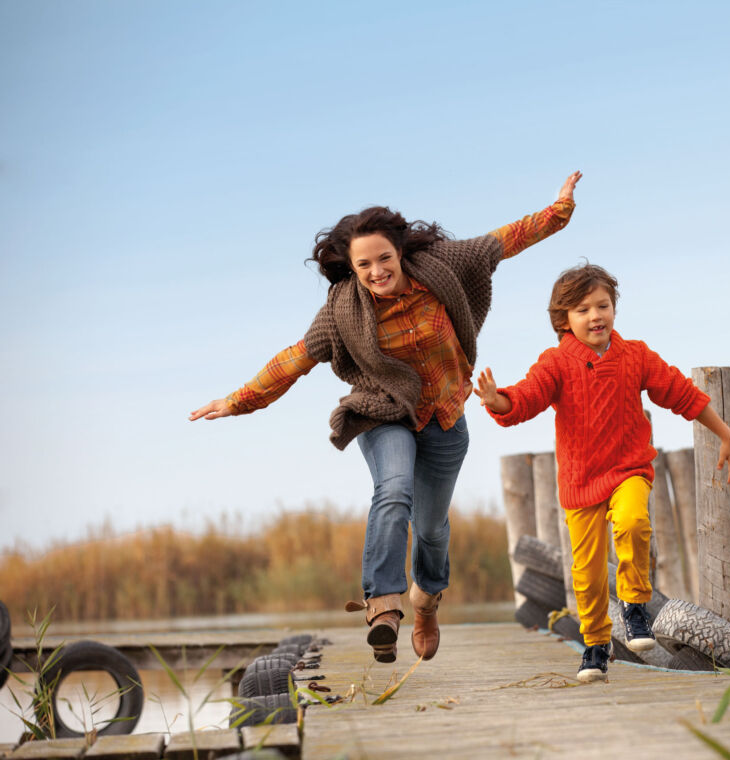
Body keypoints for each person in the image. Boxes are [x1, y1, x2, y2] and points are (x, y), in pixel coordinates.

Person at [190, 172, 581, 663]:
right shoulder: (341, 311)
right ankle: (382, 605)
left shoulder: (441, 265)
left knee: (434, 529)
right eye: (363, 265)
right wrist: (237, 400)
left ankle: (426, 601)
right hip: (382, 412)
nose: (376, 271)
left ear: (399, 253)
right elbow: (294, 359)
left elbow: (503, 241)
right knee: (393, 489)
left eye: (383, 259)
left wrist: (558, 210)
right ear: (351, 269)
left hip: (444, 416)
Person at [474, 263, 730, 682]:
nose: (595, 315)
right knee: (589, 573)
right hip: (581, 482)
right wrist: (497, 400)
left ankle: (634, 607)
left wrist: (723, 431)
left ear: (614, 309)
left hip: (628, 467)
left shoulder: (635, 355)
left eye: (603, 305)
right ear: (564, 320)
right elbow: (526, 398)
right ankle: (595, 645)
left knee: (633, 521)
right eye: (583, 309)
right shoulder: (557, 362)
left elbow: (679, 391)